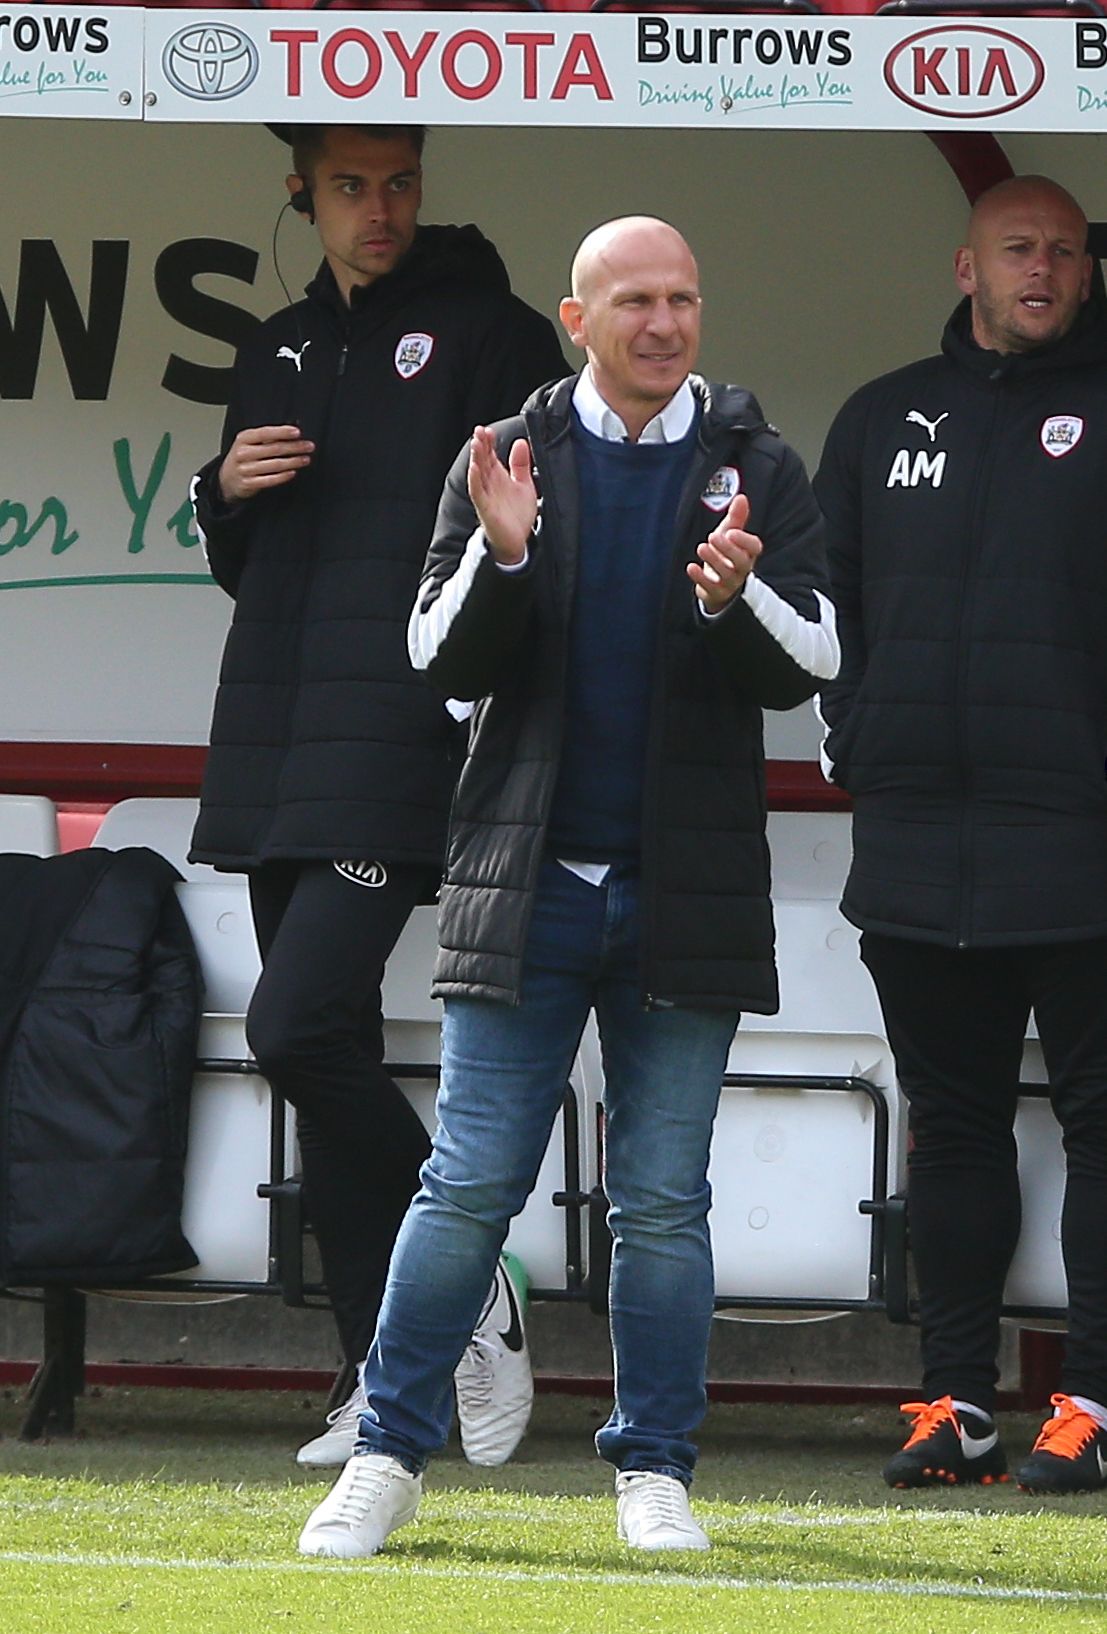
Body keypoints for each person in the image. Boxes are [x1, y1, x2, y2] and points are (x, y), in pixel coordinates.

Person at [297, 215, 839, 1558]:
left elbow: (819, 653)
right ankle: (386, 1453)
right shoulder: (506, 454)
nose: (665, 323)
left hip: (684, 893)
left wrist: (735, 595)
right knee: (469, 1184)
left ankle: (653, 1467)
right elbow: (437, 653)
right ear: (578, 314)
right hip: (523, 887)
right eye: (637, 301)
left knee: (662, 1202)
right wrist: (506, 548)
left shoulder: (759, 463)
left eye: (685, 299)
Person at [188, 123, 567, 1470]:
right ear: (304, 196)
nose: (380, 208)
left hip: (400, 741)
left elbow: (538, 541)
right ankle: (375, 1379)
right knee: (319, 1041)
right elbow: (248, 555)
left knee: (292, 1028)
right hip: (271, 739)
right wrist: (217, 490)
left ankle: (466, 1279)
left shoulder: (493, 334)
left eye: (398, 182)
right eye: (352, 187)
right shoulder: (277, 343)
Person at [815, 175, 1107, 1494]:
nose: (1041, 269)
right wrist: (859, 733)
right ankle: (956, 1404)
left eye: (1062, 251)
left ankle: (1088, 1405)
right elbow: (832, 608)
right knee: (954, 1121)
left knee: (1103, 1124)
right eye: (1017, 250)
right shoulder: (881, 418)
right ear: (967, 265)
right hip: (922, 833)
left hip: (1081, 837)